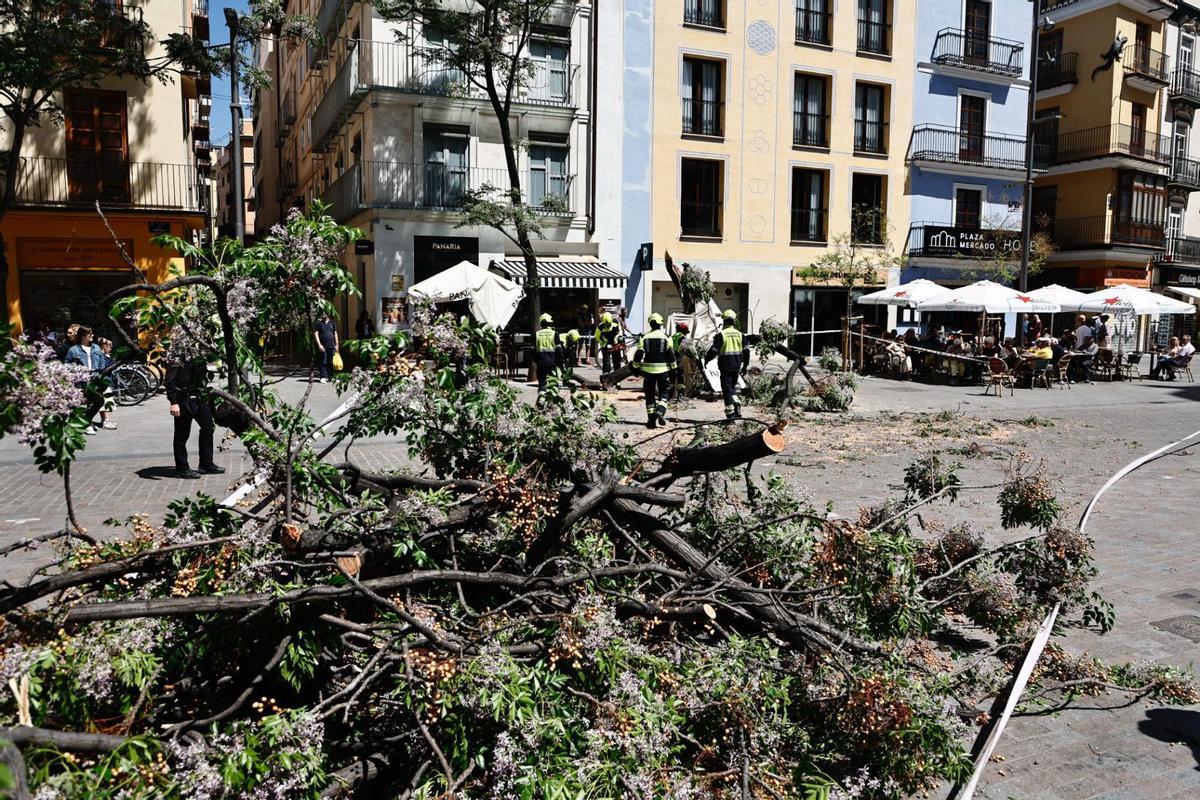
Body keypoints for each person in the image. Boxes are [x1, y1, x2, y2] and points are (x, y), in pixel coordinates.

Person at [165, 358, 223, 479]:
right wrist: (173, 402)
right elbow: (169, 381)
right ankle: (182, 468)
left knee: (208, 426)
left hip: (199, 396)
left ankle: (206, 463)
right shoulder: (177, 356)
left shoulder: (199, 356)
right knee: (182, 434)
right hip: (183, 399)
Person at [64, 326, 116, 433]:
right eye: (90, 334)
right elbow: (67, 364)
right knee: (85, 403)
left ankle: (86, 421)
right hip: (81, 381)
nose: (92, 335)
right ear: (83, 336)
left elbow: (102, 362)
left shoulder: (96, 347)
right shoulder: (74, 350)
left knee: (99, 401)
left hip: (95, 380)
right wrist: (79, 368)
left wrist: (100, 373)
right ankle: (86, 424)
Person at [631, 313, 676, 429]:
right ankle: (660, 411)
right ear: (661, 324)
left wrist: (635, 367)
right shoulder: (666, 337)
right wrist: (674, 370)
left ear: (650, 324)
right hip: (663, 371)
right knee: (664, 392)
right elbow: (671, 355)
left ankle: (651, 421)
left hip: (648, 372)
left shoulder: (644, 337)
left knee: (649, 395)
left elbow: (639, 354)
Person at [705, 309, 750, 420]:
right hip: (736, 366)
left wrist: (706, 359)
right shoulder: (741, 335)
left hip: (725, 366)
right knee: (732, 387)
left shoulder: (720, 335)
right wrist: (745, 366)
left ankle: (730, 415)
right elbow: (746, 352)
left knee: (726, 389)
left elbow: (714, 350)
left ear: (724, 321)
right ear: (734, 321)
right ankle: (737, 405)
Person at [533, 312, 564, 401]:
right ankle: (551, 403)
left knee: (542, 383)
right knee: (553, 383)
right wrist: (561, 363)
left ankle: (541, 401)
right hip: (552, 363)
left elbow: (532, 350)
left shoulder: (537, 334)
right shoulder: (555, 334)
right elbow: (559, 350)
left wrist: (536, 360)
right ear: (550, 323)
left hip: (541, 363)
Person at [314, 314, 339, 383]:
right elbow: (316, 334)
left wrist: (337, 344)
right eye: (323, 313)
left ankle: (331, 377)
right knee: (323, 361)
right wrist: (319, 345)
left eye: (325, 313)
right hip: (323, 345)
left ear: (328, 314)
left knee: (330, 362)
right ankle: (322, 377)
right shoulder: (319, 323)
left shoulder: (332, 323)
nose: (323, 315)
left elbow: (335, 333)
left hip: (332, 345)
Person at [670, 321, 689, 396]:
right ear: (683, 330)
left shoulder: (672, 336)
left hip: (671, 358)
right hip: (678, 358)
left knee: (672, 377)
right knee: (680, 377)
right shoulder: (682, 337)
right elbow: (685, 348)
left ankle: (670, 395)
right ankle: (680, 395)